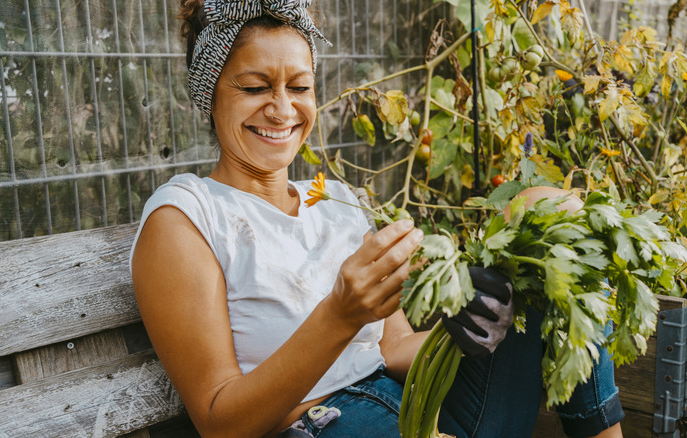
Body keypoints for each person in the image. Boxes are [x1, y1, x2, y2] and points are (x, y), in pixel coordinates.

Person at [130, 1, 625, 437]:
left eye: (299, 86)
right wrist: (339, 316)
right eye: (256, 86)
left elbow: (391, 350)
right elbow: (220, 424)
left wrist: (466, 324)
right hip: (320, 426)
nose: (282, 109)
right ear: (210, 93)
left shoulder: (335, 201)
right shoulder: (187, 218)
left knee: (550, 214)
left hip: (410, 406)